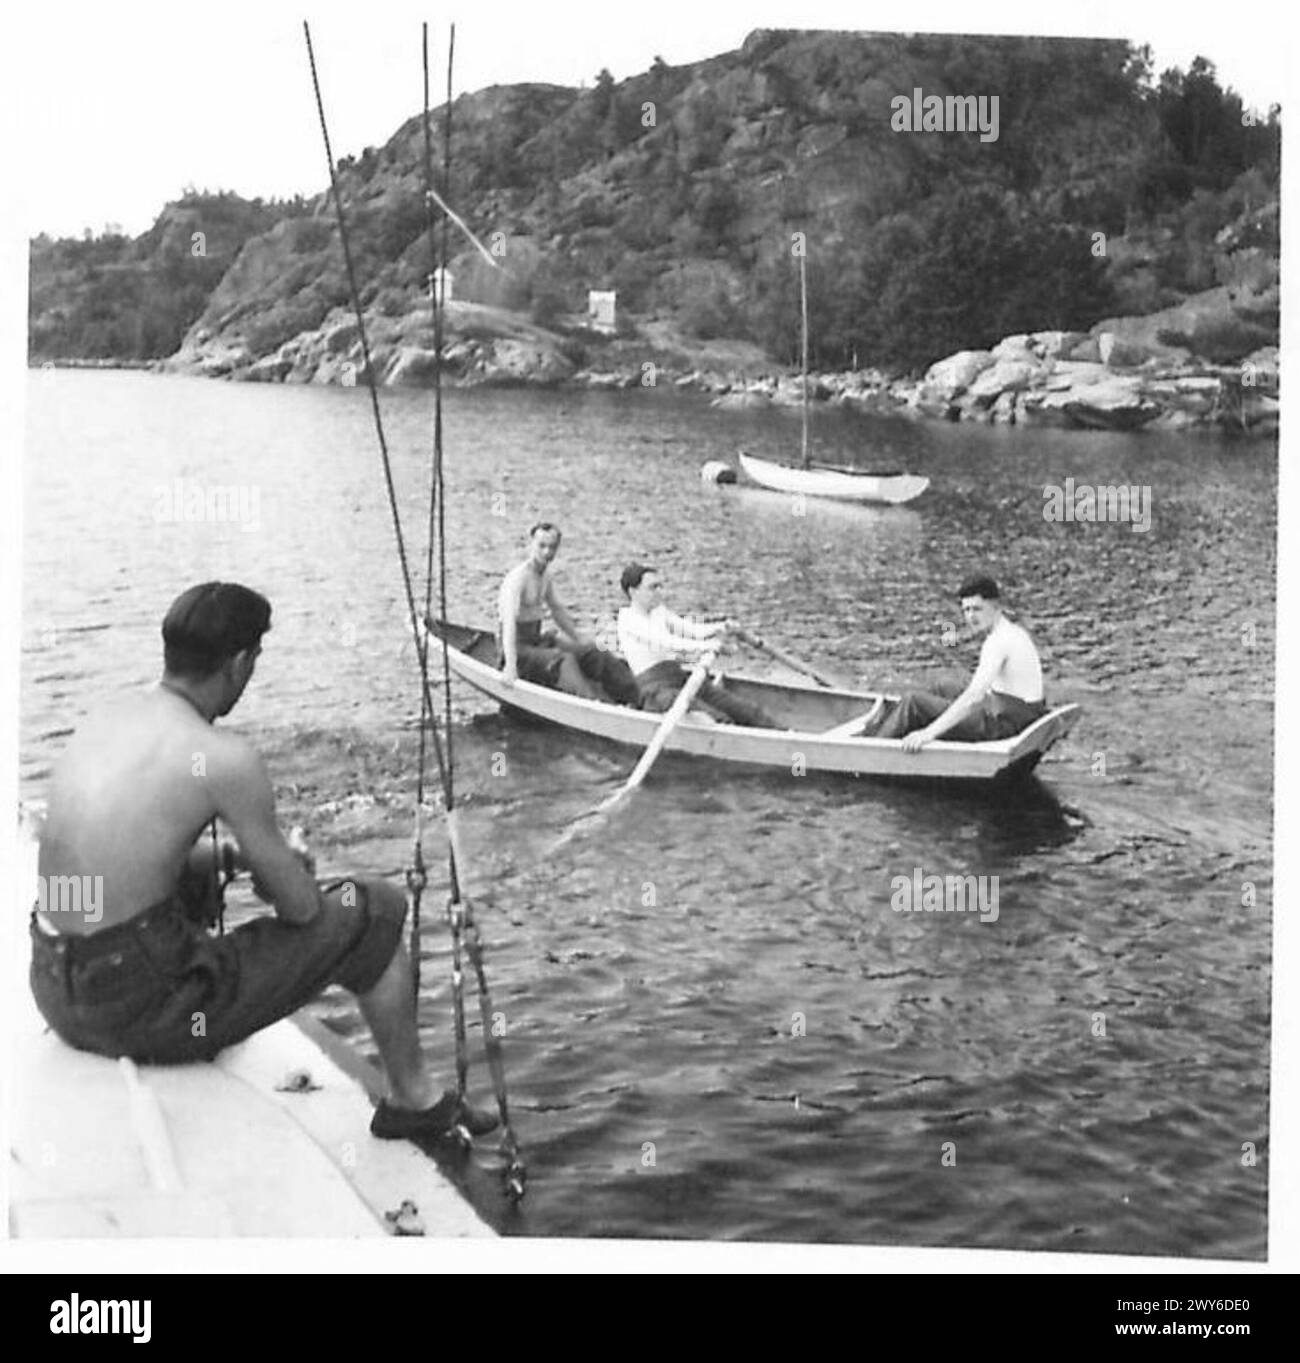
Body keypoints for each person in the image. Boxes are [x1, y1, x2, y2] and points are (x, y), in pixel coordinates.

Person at [30, 581, 495, 1142]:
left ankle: (193, 1006)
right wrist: (288, 868)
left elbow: (113, 869)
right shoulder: (225, 758)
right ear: (240, 662)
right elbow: (302, 912)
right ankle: (415, 1100)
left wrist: (232, 857)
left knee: (180, 883)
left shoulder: (107, 717)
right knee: (373, 910)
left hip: (56, 988)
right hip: (136, 1012)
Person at [871, 574, 1048, 750]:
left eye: (977, 609)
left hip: (1007, 726)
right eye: (966, 610)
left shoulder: (998, 642)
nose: (971, 617)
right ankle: (901, 731)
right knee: (942, 687)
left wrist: (928, 734)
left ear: (996, 607)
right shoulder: (1011, 631)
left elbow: (974, 696)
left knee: (913, 703)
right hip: (1014, 712)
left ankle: (872, 749)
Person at [617, 563, 782, 728]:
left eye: (660, 586)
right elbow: (668, 642)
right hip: (657, 692)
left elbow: (692, 630)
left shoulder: (659, 611)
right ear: (633, 592)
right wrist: (709, 647)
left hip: (679, 679)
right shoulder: (629, 620)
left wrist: (721, 627)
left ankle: (787, 735)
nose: (660, 592)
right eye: (652, 588)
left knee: (747, 711)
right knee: (717, 720)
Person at [498, 522, 638, 704]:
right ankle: (593, 703)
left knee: (594, 651)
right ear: (530, 545)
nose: (547, 552)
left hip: (536, 642)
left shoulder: (545, 575)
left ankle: (635, 695)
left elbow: (557, 610)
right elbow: (509, 623)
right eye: (542, 546)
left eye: (552, 547)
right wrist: (510, 666)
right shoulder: (518, 579)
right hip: (517, 650)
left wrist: (579, 638)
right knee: (564, 660)